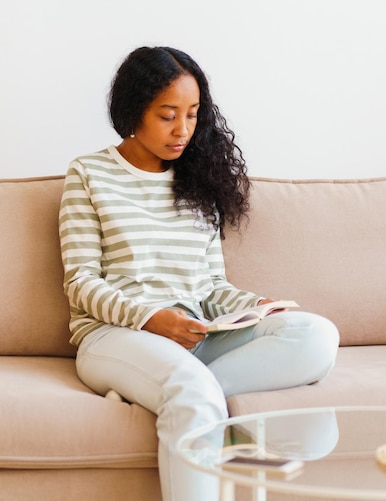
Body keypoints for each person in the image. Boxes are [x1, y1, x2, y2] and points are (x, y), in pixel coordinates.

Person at [59, 46, 339, 501]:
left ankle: (173, 394)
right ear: (134, 111)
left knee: (316, 336)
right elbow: (82, 282)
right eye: (168, 115)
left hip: (195, 337)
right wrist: (152, 319)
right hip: (114, 336)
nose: (183, 130)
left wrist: (254, 307)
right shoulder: (89, 174)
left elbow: (210, 287)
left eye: (192, 114)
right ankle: (184, 393)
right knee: (190, 389)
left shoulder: (198, 181)